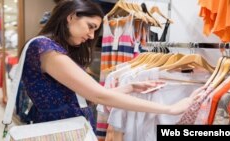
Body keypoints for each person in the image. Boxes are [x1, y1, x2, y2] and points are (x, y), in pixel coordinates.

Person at [20, 0, 197, 132]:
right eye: (90, 27)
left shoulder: (53, 50)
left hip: (65, 129)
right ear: (72, 16)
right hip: (59, 132)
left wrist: (130, 86)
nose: (91, 36)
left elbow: (84, 98)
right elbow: (99, 96)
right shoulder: (45, 48)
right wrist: (170, 109)